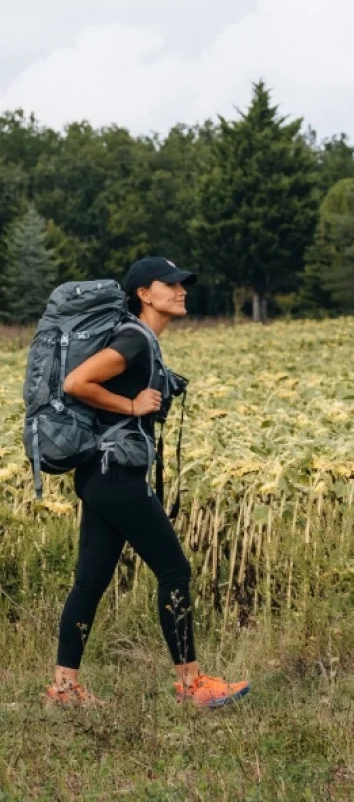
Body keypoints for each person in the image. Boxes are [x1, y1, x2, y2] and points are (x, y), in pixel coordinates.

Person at [44, 257, 250, 709]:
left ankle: (63, 690)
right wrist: (131, 404)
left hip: (100, 475)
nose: (181, 290)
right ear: (144, 293)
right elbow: (78, 381)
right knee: (175, 570)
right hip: (116, 476)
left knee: (89, 584)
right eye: (170, 284)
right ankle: (193, 686)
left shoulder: (144, 344)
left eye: (183, 284)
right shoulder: (134, 339)